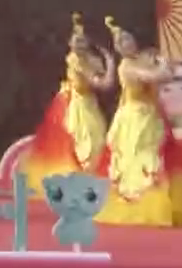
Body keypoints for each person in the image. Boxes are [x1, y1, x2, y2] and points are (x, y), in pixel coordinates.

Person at [93, 16, 182, 227]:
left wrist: (167, 65)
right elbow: (156, 76)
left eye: (128, 39)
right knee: (140, 160)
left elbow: (166, 74)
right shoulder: (126, 67)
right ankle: (139, 203)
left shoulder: (143, 61)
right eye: (121, 42)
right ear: (118, 49)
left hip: (151, 118)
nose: (126, 44)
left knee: (158, 158)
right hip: (134, 120)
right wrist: (163, 65)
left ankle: (163, 201)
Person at [18, 13, 113, 195]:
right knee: (83, 140)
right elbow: (102, 84)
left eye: (83, 41)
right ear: (70, 43)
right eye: (76, 41)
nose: (79, 45)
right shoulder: (74, 60)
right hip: (76, 104)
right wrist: (110, 62)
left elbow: (103, 83)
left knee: (96, 137)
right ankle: (78, 180)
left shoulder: (92, 60)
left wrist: (106, 62)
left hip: (89, 103)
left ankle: (89, 180)